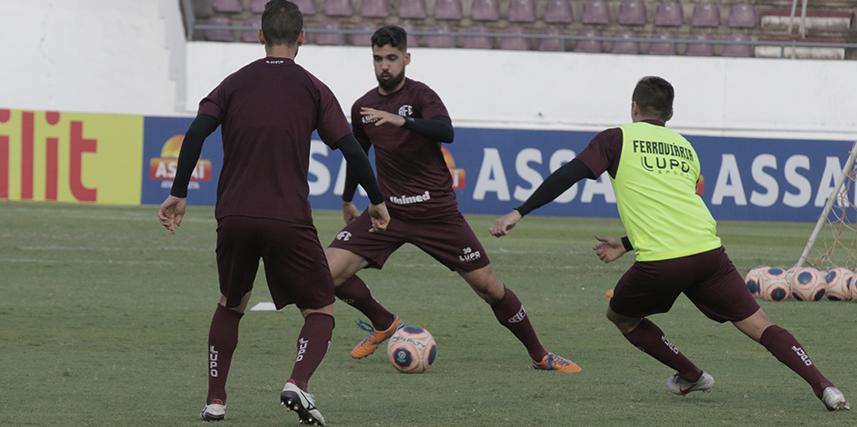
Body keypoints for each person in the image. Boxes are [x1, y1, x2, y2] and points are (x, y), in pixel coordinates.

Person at [490, 76, 850, 411]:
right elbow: (676, 209)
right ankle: (826, 387)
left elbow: (571, 173)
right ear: (670, 114)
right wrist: (626, 243)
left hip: (662, 262)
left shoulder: (617, 138)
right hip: (709, 254)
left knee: (621, 315)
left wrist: (520, 211)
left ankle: (692, 374)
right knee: (761, 325)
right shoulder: (685, 148)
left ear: (634, 107)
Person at [157, 1, 390, 424]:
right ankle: (297, 382)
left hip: (234, 217)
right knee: (320, 310)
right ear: (302, 37)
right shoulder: (313, 88)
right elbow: (352, 149)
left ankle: (215, 401)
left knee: (230, 304)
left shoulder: (233, 83)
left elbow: (195, 133)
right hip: (288, 219)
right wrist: (375, 199)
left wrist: (179, 192)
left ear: (260, 35)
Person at [325, 25, 580, 373]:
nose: (384, 65)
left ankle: (541, 355)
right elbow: (358, 155)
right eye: (378, 58)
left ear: (406, 58)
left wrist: (402, 121)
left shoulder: (422, 96)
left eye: (392, 58)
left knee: (490, 288)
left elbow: (446, 131)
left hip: (437, 213)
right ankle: (383, 322)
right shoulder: (363, 107)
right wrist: (347, 199)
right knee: (325, 274)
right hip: (389, 213)